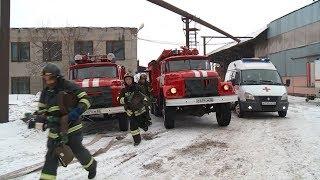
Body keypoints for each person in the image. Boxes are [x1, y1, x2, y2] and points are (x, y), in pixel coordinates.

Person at [37, 63, 97, 180]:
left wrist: (75, 112)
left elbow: (86, 99)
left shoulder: (69, 86)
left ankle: (91, 166)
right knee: (51, 157)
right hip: (54, 131)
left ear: (57, 77)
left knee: (78, 150)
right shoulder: (45, 92)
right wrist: (40, 120)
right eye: (45, 78)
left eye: (50, 78)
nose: (48, 81)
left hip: (72, 128)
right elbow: (41, 110)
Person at [119, 73, 149, 146]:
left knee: (142, 124)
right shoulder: (123, 90)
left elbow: (145, 96)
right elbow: (120, 100)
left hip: (139, 110)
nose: (128, 81)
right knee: (133, 126)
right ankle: (137, 140)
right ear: (125, 81)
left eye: (129, 79)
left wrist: (144, 102)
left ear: (132, 79)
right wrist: (124, 99)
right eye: (126, 79)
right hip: (130, 111)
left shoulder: (138, 87)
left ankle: (144, 125)